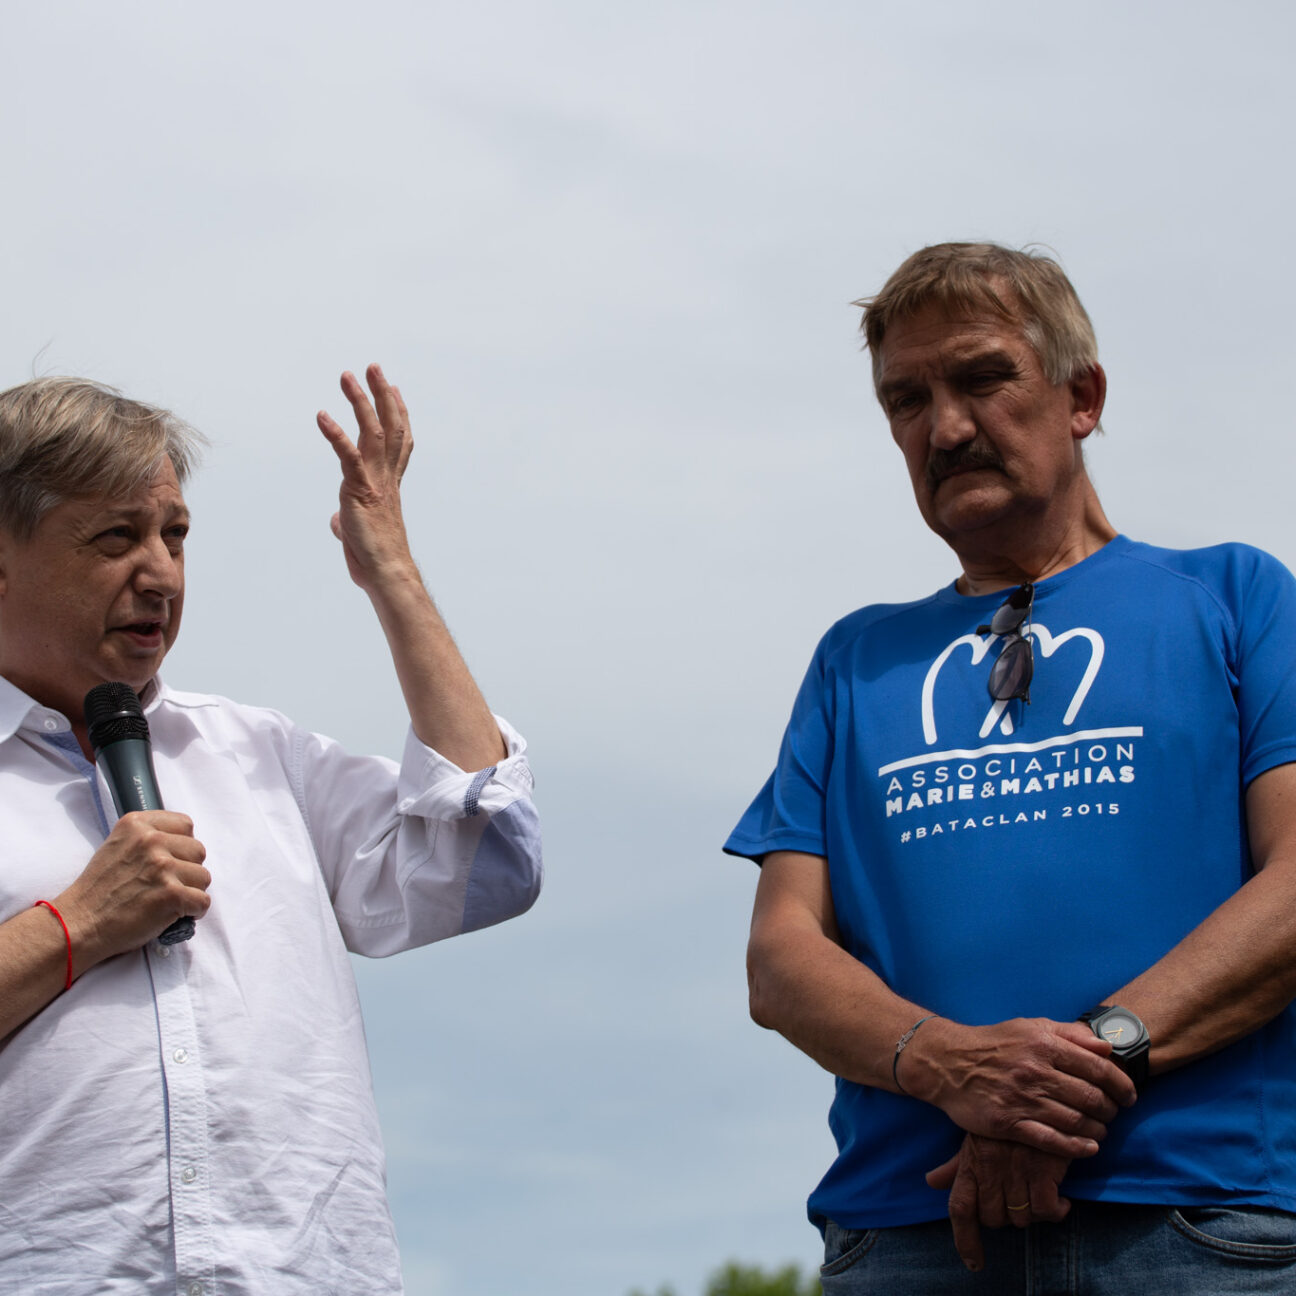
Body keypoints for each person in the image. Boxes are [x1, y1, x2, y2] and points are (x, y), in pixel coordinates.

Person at [726, 243, 1296, 1293]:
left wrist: (1070, 1073)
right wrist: (955, 1067)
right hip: (908, 1231)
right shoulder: (856, 660)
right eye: (906, 400)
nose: (945, 429)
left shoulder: (1236, 597)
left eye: (983, 378)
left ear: (1082, 397)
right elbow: (782, 957)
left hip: (1199, 1221)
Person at [0, 365, 542, 1293]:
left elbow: (486, 859)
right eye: (116, 537)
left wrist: (392, 574)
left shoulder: (261, 755)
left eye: (175, 535)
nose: (161, 573)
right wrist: (77, 924)